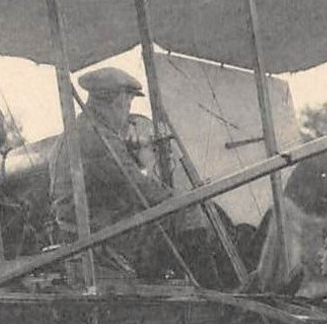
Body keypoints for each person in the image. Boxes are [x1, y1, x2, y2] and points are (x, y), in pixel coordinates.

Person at [48, 67, 208, 280]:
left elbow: (111, 180)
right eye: (128, 104)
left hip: (83, 231)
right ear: (114, 103)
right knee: (189, 209)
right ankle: (211, 291)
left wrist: (130, 153)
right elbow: (141, 191)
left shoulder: (79, 131)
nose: (126, 114)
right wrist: (182, 195)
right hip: (105, 239)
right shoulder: (99, 138)